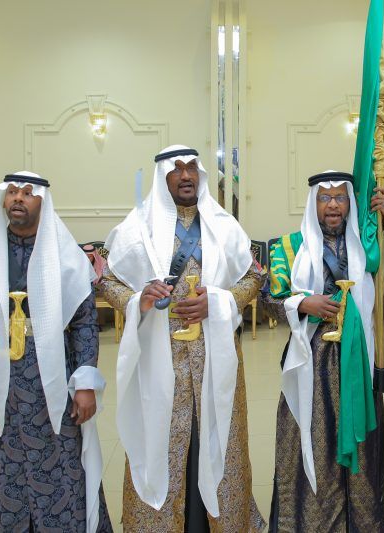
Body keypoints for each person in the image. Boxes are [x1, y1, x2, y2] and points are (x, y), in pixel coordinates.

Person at [101, 145, 265, 532]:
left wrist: (220, 301)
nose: (186, 175)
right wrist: (139, 299)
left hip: (215, 354)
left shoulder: (223, 224)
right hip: (160, 356)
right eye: (177, 170)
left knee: (219, 436)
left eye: (192, 168)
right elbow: (109, 281)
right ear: (163, 177)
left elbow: (253, 277)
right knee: (161, 441)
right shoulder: (136, 227)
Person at [0, 171, 111, 532]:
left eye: (28, 193)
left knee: (61, 465)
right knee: (0, 465)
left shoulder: (65, 255)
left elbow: (84, 323)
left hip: (52, 382)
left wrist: (85, 383)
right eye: (12, 192)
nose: (18, 198)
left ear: (43, 202)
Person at [262, 170, 384, 532]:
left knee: (362, 452)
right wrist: (303, 303)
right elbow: (270, 300)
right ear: (313, 203)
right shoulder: (289, 247)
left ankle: (361, 524)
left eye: (339, 197)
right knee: (314, 444)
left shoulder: (370, 246)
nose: (332, 205)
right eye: (324, 198)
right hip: (311, 363)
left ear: (350, 202)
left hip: (359, 361)